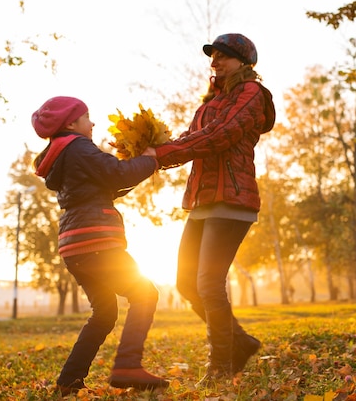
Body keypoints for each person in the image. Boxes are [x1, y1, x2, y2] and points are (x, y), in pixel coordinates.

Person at [143, 33, 276, 386]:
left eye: (223, 57)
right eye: (213, 56)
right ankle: (240, 342)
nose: (215, 62)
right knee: (186, 282)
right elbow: (190, 139)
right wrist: (150, 152)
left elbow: (220, 135)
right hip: (202, 201)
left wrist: (162, 155)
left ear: (244, 63)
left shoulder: (252, 95)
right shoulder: (209, 101)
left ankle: (220, 364)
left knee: (208, 282)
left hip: (232, 199)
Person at [31, 96, 169, 395]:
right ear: (71, 123)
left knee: (104, 313)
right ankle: (128, 365)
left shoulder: (63, 156)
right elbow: (117, 173)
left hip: (73, 245)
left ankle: (69, 380)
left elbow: (109, 185)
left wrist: (143, 165)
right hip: (96, 240)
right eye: (87, 117)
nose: (92, 123)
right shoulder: (78, 146)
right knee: (145, 294)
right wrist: (150, 157)